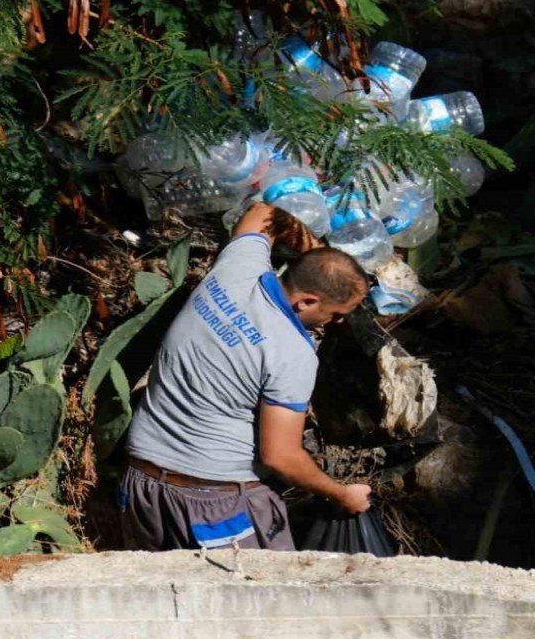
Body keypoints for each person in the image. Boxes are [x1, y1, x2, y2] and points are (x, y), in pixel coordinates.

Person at [120, 202, 372, 552]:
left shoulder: (236, 270)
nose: (339, 323)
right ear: (307, 301)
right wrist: (342, 494)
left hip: (141, 487)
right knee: (265, 600)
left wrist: (321, 256)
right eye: (337, 314)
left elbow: (262, 212)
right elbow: (280, 457)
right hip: (214, 505)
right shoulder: (292, 354)